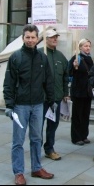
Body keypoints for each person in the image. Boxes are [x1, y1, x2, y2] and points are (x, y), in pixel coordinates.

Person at [3, 24, 55, 185]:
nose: (30, 40)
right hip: (20, 106)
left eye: (33, 37)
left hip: (38, 105)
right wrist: (9, 105)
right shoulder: (16, 57)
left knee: (36, 138)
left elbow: (48, 80)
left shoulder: (42, 57)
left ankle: (36, 168)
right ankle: (18, 172)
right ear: (23, 38)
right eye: (27, 37)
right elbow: (9, 83)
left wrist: (51, 100)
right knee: (18, 141)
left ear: (37, 38)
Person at [39, 28, 69, 161]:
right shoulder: (38, 54)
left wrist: (65, 93)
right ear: (45, 39)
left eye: (56, 37)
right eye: (52, 37)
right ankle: (36, 149)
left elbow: (65, 77)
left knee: (53, 125)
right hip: (40, 99)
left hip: (56, 99)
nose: (55, 39)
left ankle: (49, 149)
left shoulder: (61, 56)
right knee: (37, 126)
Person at [68, 38, 94, 146]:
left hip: (87, 91)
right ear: (80, 47)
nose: (87, 48)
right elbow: (69, 72)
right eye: (85, 46)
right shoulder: (76, 58)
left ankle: (84, 135)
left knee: (85, 114)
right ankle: (76, 137)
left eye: (89, 46)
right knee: (77, 115)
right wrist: (74, 67)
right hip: (78, 91)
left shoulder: (90, 59)